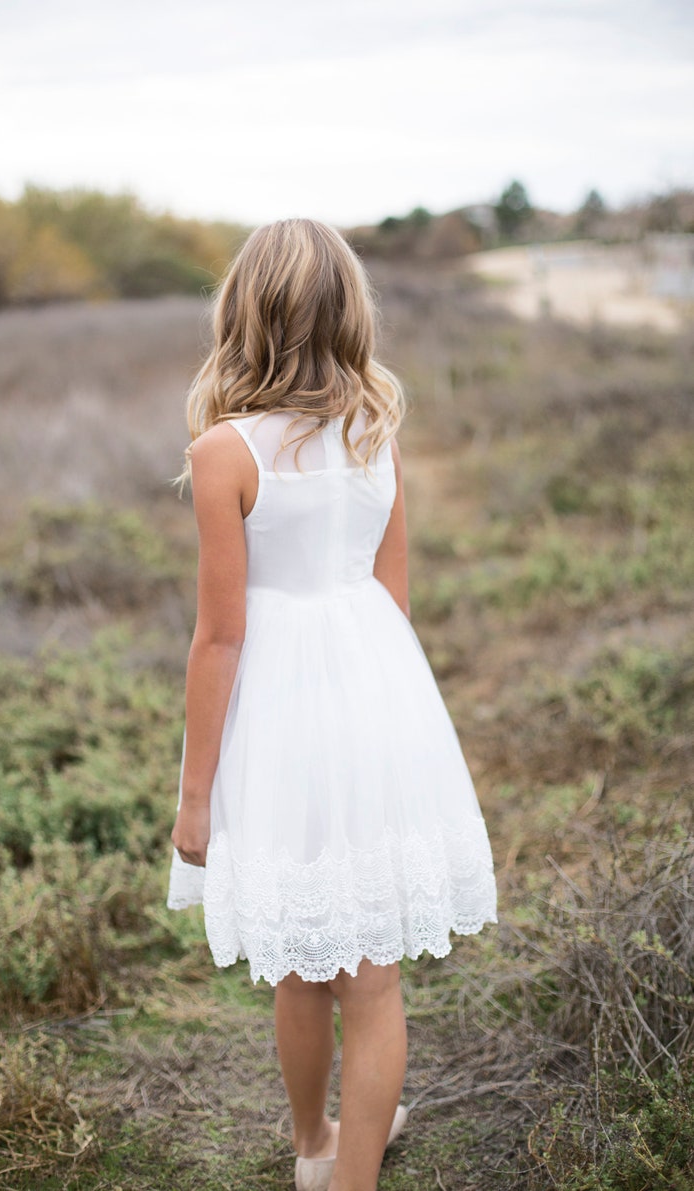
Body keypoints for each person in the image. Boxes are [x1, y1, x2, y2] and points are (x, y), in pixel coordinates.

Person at [167, 218, 498, 1191]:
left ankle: (316, 1149)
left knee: (300, 965)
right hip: (375, 695)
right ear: (347, 312)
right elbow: (389, 594)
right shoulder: (374, 424)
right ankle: (342, 1170)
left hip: (276, 715)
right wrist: (384, 718)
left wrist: (194, 799)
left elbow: (219, 637)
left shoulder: (224, 451)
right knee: (375, 980)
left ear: (243, 314)